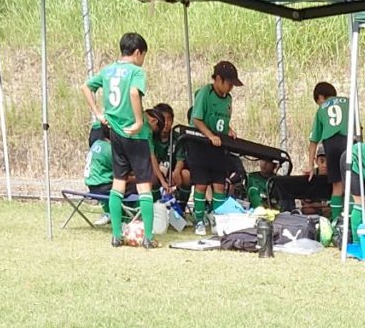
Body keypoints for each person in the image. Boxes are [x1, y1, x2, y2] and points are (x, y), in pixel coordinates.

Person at [85, 30, 163, 246]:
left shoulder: (108, 70)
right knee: (144, 185)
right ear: (138, 52)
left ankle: (117, 235)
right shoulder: (136, 72)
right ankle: (148, 237)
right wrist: (138, 122)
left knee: (118, 183)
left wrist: (98, 113)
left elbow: (86, 86)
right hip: (134, 135)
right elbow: (134, 93)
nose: (143, 60)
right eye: (143, 55)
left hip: (115, 134)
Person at [180, 60, 246, 202]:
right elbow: (197, 119)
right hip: (200, 144)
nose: (231, 88)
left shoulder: (228, 99)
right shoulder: (205, 93)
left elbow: (220, 119)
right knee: (201, 184)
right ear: (218, 79)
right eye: (229, 83)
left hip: (218, 145)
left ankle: (218, 213)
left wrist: (229, 129)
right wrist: (210, 135)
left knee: (219, 183)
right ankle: (199, 214)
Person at [309, 80, 349, 186]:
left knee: (337, 185)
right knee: (350, 183)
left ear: (320, 97)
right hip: (348, 140)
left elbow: (313, 140)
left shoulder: (321, 109)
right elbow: (358, 128)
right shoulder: (348, 102)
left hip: (331, 143)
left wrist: (310, 165)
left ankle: (335, 197)